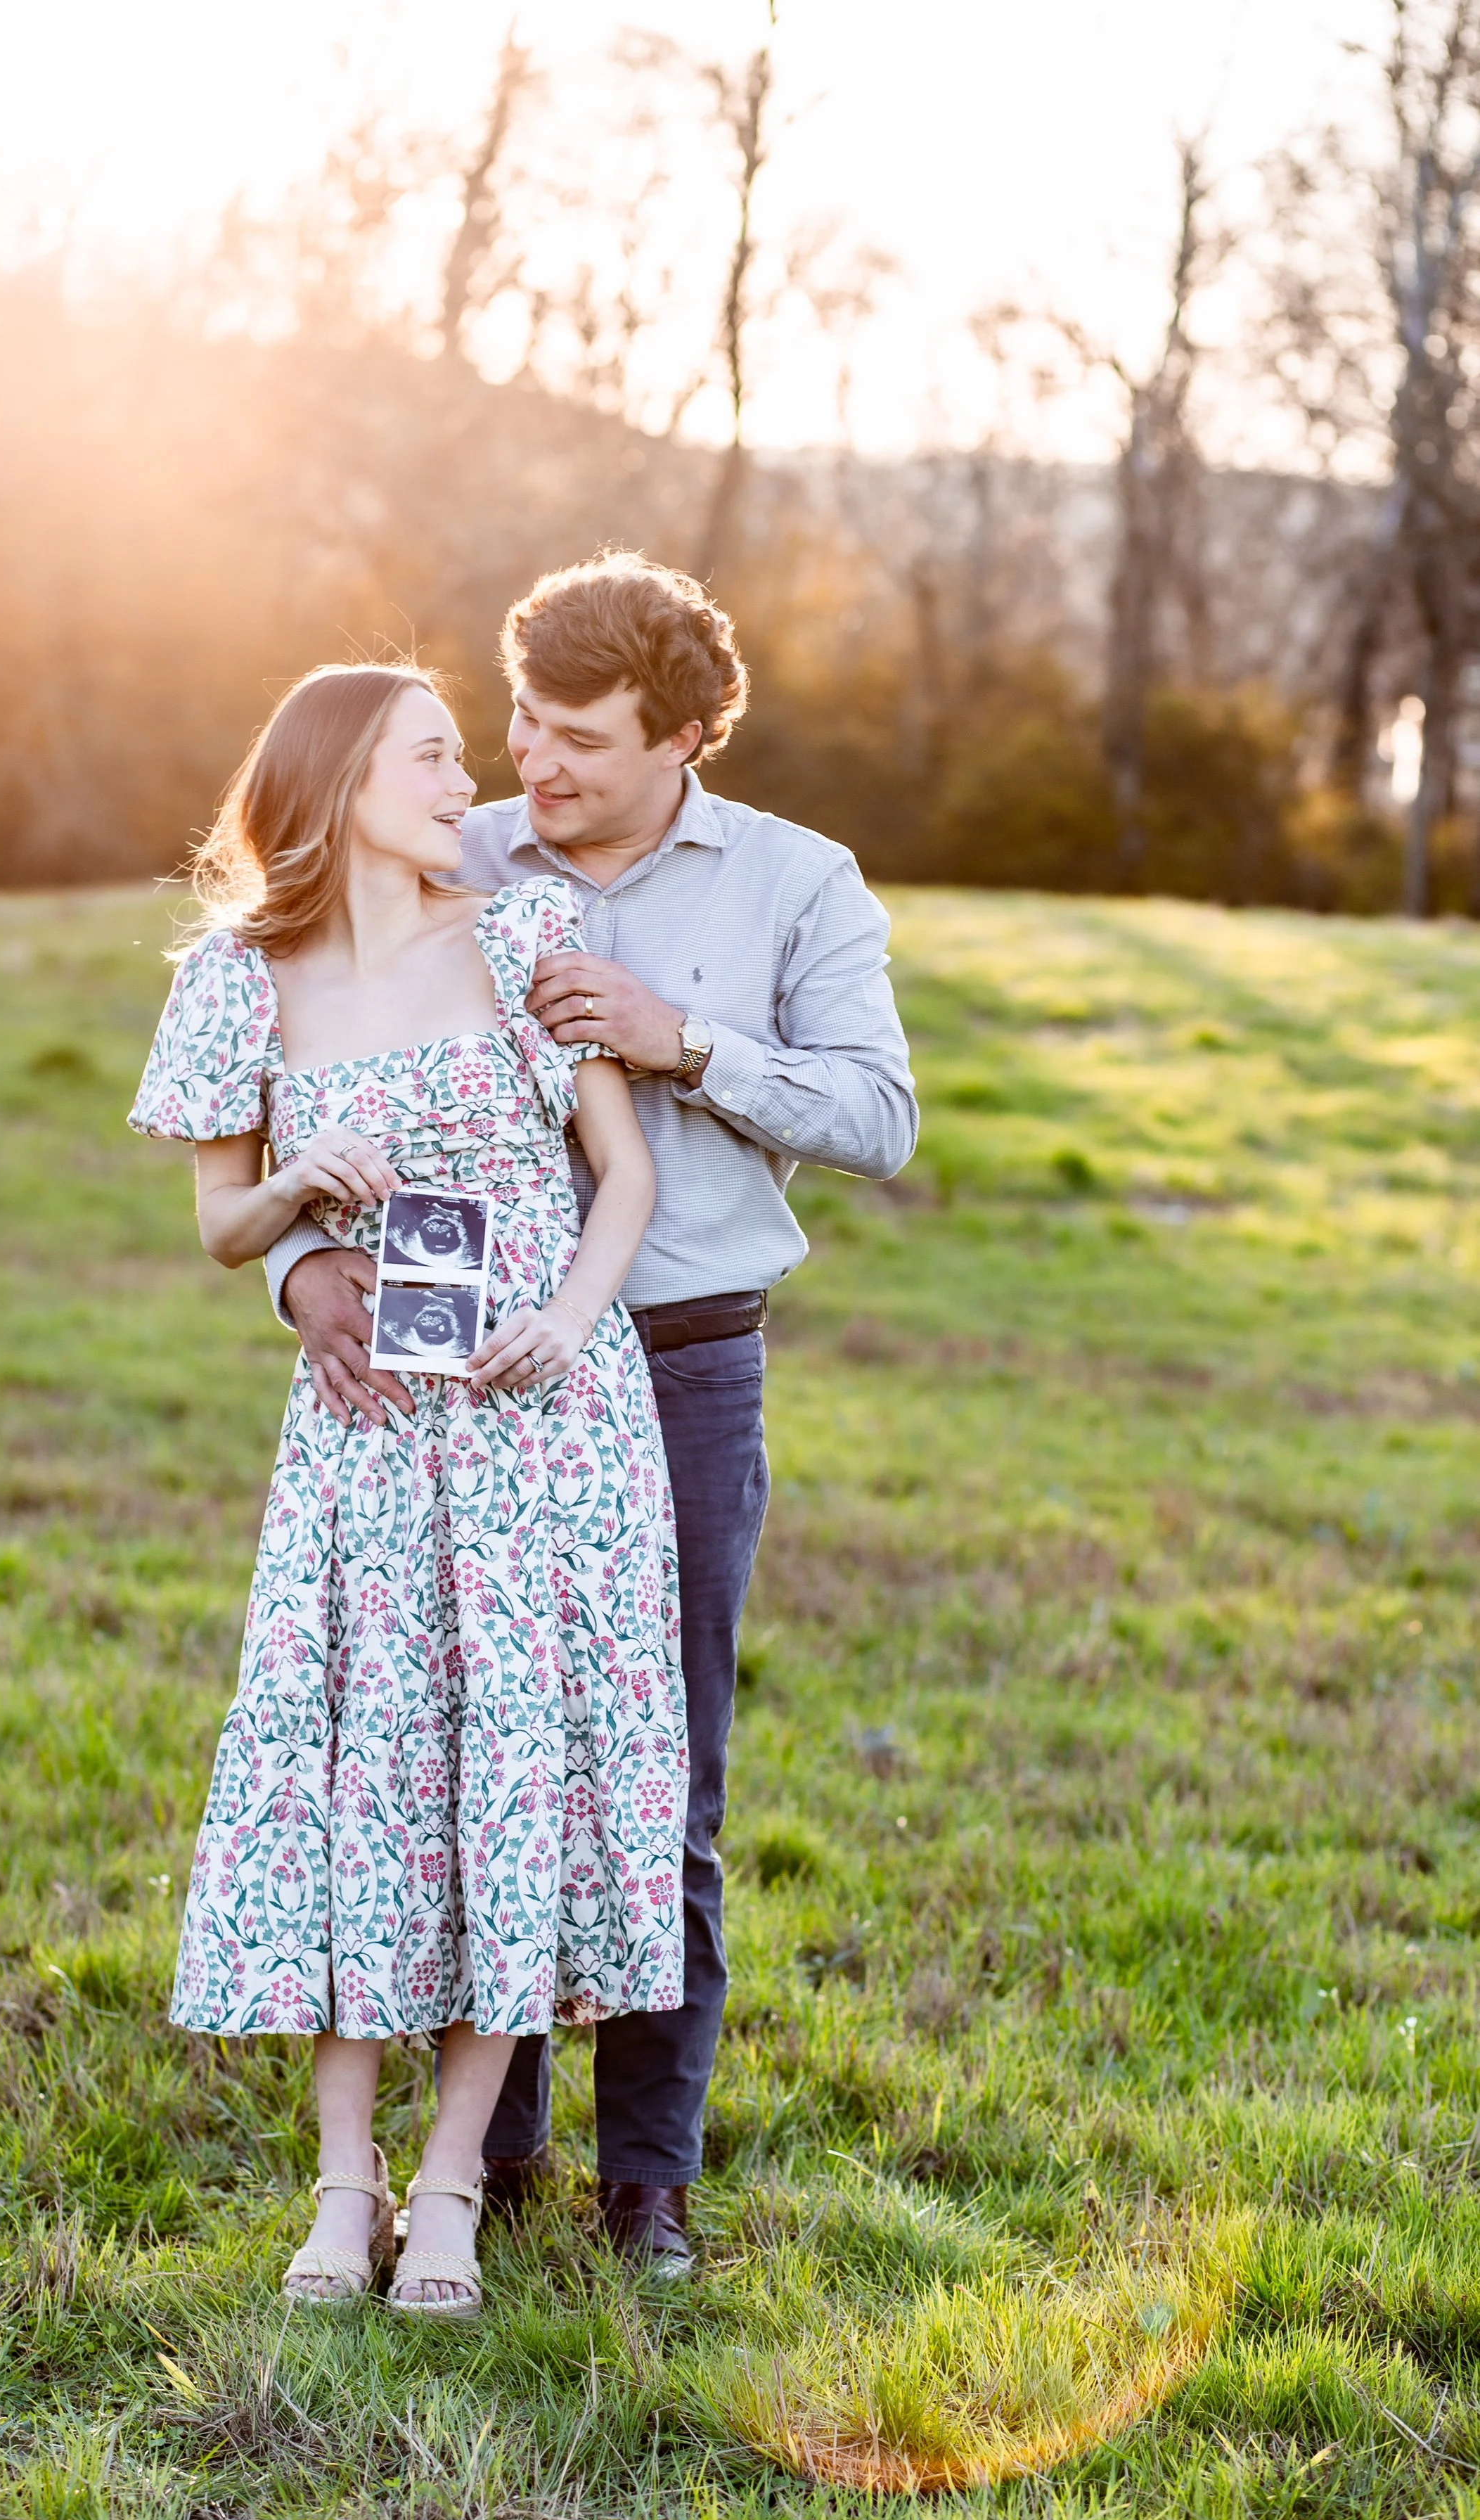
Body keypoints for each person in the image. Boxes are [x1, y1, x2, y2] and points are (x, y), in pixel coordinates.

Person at [265, 556, 918, 2277]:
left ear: (686, 736)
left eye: (579, 741)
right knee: (473, 1760)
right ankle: (494, 2149)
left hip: (678, 1358)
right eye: (519, 727)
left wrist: (679, 1039)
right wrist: (295, 1274)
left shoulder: (794, 882)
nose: (528, 768)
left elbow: (877, 1117)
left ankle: (650, 2175)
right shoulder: (453, 849)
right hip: (453, 1394)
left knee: (657, 1770)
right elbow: (301, 1061)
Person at [129, 660, 687, 2317]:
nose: (474, 780)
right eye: (437, 755)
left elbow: (626, 1174)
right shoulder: (239, 978)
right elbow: (223, 1227)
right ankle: (339, 2187)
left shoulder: (523, 945)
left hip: (548, 1436)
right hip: (367, 1445)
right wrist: (300, 1190)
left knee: (512, 1780)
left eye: (464, 755)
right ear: (343, 772)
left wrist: (564, 1326)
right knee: (356, 1785)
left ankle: (448, 2192)